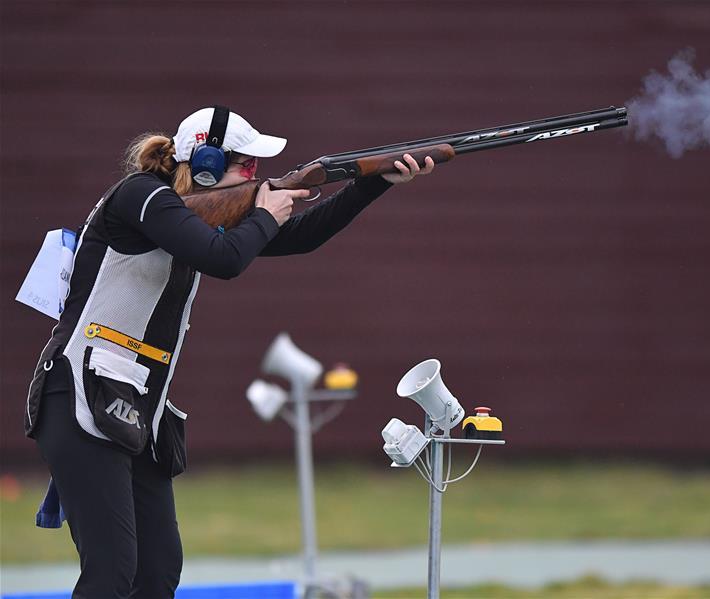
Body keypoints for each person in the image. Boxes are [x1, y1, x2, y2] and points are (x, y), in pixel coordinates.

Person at [24, 105, 435, 598]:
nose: (256, 176)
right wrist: (263, 214)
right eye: (247, 167)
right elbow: (223, 259)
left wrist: (373, 183)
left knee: (155, 574)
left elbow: (301, 237)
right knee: (112, 573)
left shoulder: (188, 215)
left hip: (134, 410)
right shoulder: (142, 196)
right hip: (80, 400)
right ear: (208, 167)